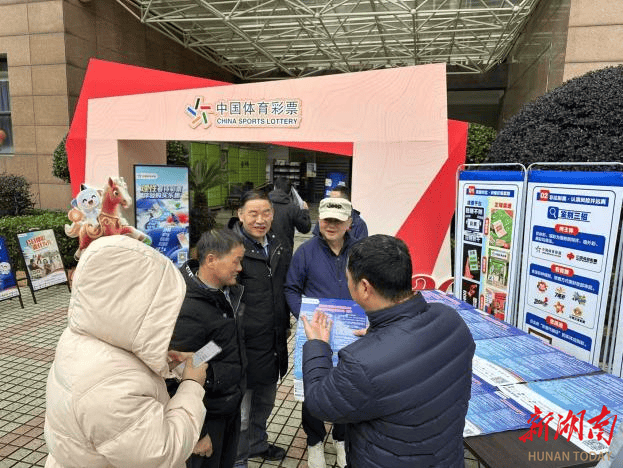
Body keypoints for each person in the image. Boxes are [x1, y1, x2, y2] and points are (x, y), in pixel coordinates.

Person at [302, 235, 475, 468]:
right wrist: (378, 335)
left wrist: (317, 345)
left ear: (365, 287)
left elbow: (319, 402)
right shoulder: (450, 319)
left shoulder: (361, 364)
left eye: (348, 279)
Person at [44, 235, 208, 468]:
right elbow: (161, 454)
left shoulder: (81, 336)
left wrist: (160, 361)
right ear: (138, 306)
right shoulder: (111, 389)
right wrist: (192, 385)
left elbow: (117, 365)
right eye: (162, 307)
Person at [284, 196, 356, 468]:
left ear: (349, 223)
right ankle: (314, 441)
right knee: (312, 387)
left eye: (338, 220)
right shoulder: (306, 251)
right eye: (327, 219)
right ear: (319, 219)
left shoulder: (360, 252)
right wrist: (303, 317)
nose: (331, 225)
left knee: (347, 387)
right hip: (315, 333)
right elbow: (291, 288)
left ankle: (341, 438)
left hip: (350, 333)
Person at [169, 229, 247, 468]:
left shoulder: (223, 292)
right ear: (211, 260)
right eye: (236, 261)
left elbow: (208, 349)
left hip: (227, 406)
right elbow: (173, 375)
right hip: (205, 418)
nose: (240, 268)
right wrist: (197, 433)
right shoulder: (187, 307)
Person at [228, 191, 289, 466]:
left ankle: (257, 444)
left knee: (265, 403)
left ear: (273, 215)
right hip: (241, 344)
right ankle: (238, 460)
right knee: (240, 413)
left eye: (266, 213)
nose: (260, 219)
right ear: (240, 214)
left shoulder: (277, 243)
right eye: (253, 213)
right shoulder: (230, 247)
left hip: (272, 341)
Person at [269, 177, 311, 266]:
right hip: (284, 254)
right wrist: (305, 211)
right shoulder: (292, 208)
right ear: (290, 191)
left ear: (275, 187)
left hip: (263, 252)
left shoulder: (264, 203)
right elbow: (305, 228)